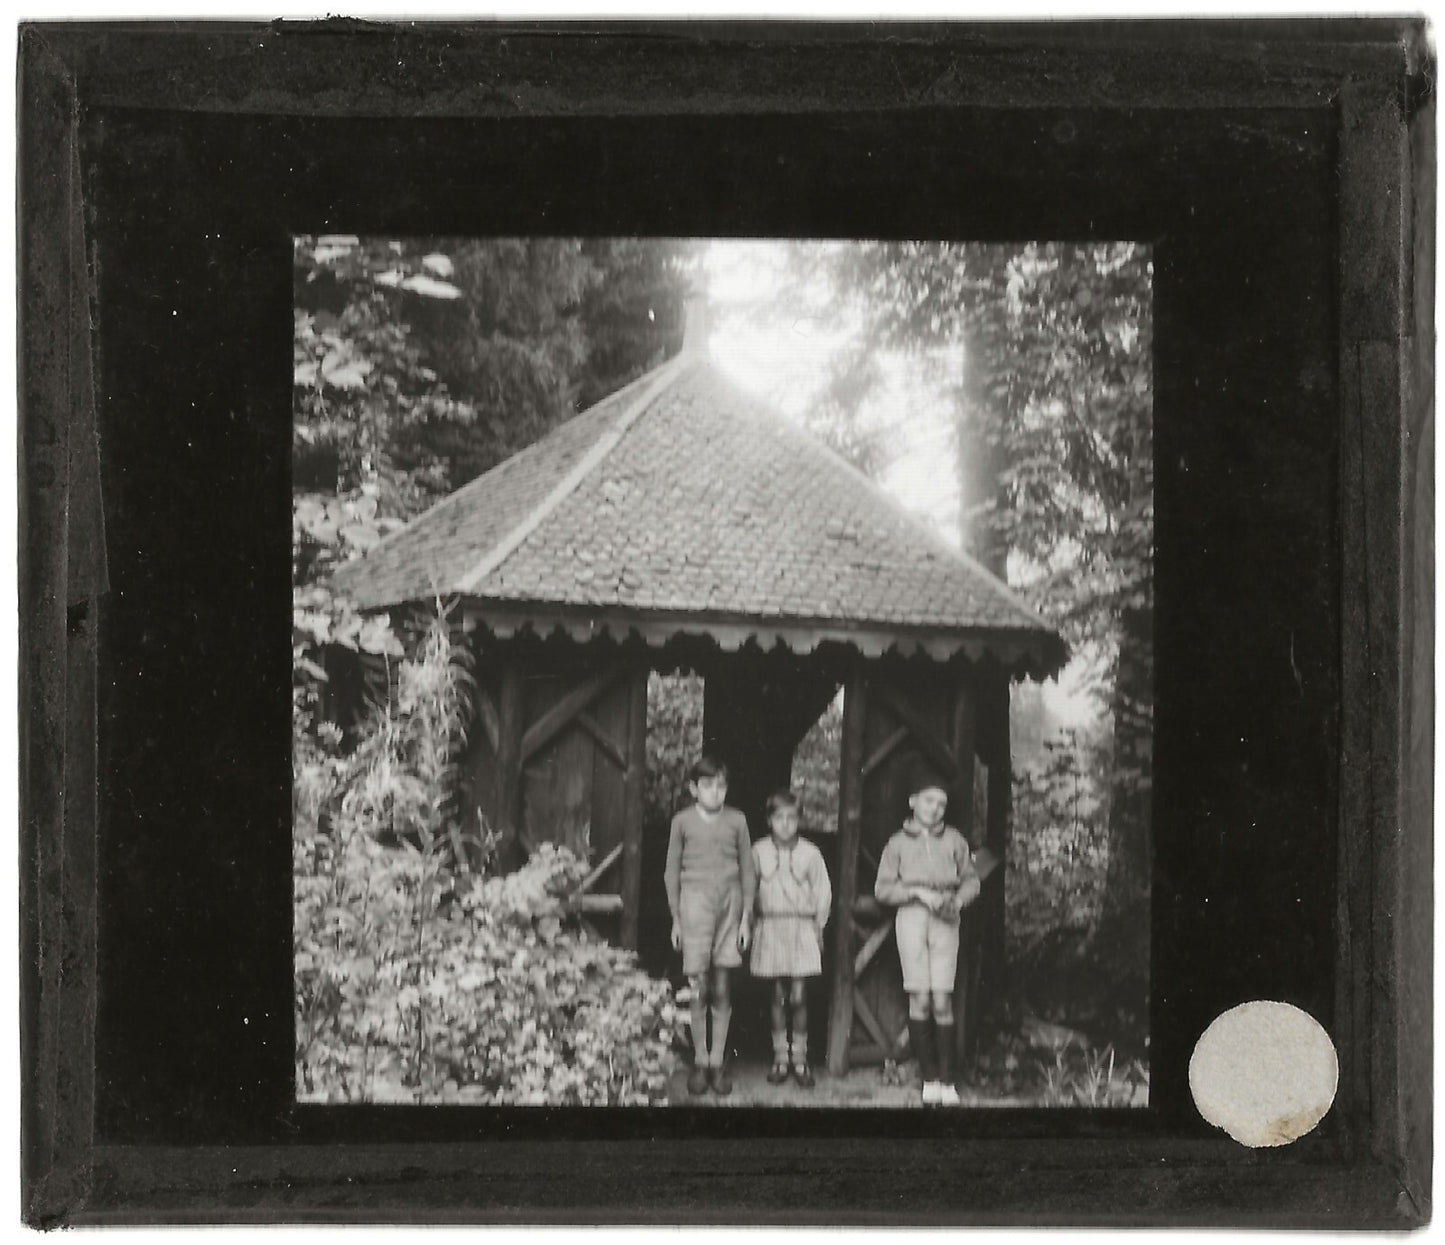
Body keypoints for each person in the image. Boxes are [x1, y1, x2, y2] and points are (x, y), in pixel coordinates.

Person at [873, 769, 981, 1106]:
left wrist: (958, 900)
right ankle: (929, 1078)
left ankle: (948, 1081)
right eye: (929, 801)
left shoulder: (955, 841)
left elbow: (971, 880)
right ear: (913, 802)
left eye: (942, 804)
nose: (935, 809)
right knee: (918, 998)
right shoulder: (897, 844)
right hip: (912, 918)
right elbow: (883, 890)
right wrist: (918, 893)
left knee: (941, 1000)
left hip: (946, 920)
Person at [664, 754, 756, 1096]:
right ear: (693, 788)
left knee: (722, 985)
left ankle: (718, 1062)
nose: (715, 792)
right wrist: (676, 917)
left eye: (721, 786)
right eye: (707, 785)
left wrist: (746, 918)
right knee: (697, 985)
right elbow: (671, 872)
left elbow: (748, 871)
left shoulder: (738, 821)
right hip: (694, 906)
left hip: (730, 907)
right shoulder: (682, 822)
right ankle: (700, 1061)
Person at [749, 789, 833, 1089]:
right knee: (777, 996)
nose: (785, 824)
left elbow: (823, 893)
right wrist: (748, 924)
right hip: (770, 928)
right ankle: (780, 1058)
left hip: (801, 929)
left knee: (799, 996)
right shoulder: (757, 851)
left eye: (792, 818)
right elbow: (748, 891)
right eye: (779, 818)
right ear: (770, 820)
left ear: (799, 819)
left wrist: (818, 927)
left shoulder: (811, 854)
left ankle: (800, 1059)